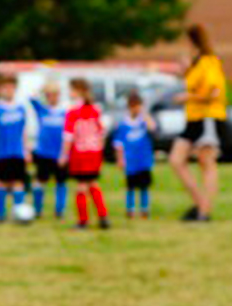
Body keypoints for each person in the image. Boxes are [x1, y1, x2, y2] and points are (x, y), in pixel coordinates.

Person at [169, 24, 226, 223]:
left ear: (194, 41)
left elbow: (213, 92)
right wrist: (185, 71)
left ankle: (204, 212)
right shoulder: (197, 63)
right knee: (176, 160)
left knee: (206, 163)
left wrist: (188, 96)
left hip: (208, 117)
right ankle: (200, 203)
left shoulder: (209, 61)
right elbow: (197, 84)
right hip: (193, 119)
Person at [61, 78, 110, 230]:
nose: (69, 93)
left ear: (78, 91)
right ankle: (103, 217)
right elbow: (102, 132)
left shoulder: (73, 111)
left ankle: (83, 221)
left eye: (71, 89)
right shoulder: (95, 109)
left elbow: (68, 136)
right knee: (93, 183)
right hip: (94, 153)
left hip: (81, 154)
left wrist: (63, 155)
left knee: (81, 186)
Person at [0, 76, 32, 223]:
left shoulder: (20, 108)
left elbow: (24, 131)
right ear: (0, 90)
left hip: (18, 152)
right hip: (2, 153)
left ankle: (19, 214)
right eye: (5, 88)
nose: (9, 91)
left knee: (18, 183)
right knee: (2, 182)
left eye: (11, 87)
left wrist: (26, 150)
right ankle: (0, 214)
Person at [30, 81, 69, 219]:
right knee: (40, 181)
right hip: (43, 153)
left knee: (61, 182)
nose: (52, 98)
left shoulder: (65, 112)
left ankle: (59, 210)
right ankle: (37, 209)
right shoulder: (42, 109)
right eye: (49, 95)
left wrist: (65, 153)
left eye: (55, 95)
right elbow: (31, 97)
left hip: (59, 154)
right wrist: (42, 89)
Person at [115, 91, 157, 219]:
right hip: (130, 161)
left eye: (138, 106)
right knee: (130, 187)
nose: (135, 109)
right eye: (133, 106)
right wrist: (120, 159)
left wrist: (144, 114)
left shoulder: (143, 121)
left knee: (144, 186)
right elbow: (118, 144)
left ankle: (145, 209)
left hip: (143, 160)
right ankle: (130, 209)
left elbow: (153, 127)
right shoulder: (123, 124)